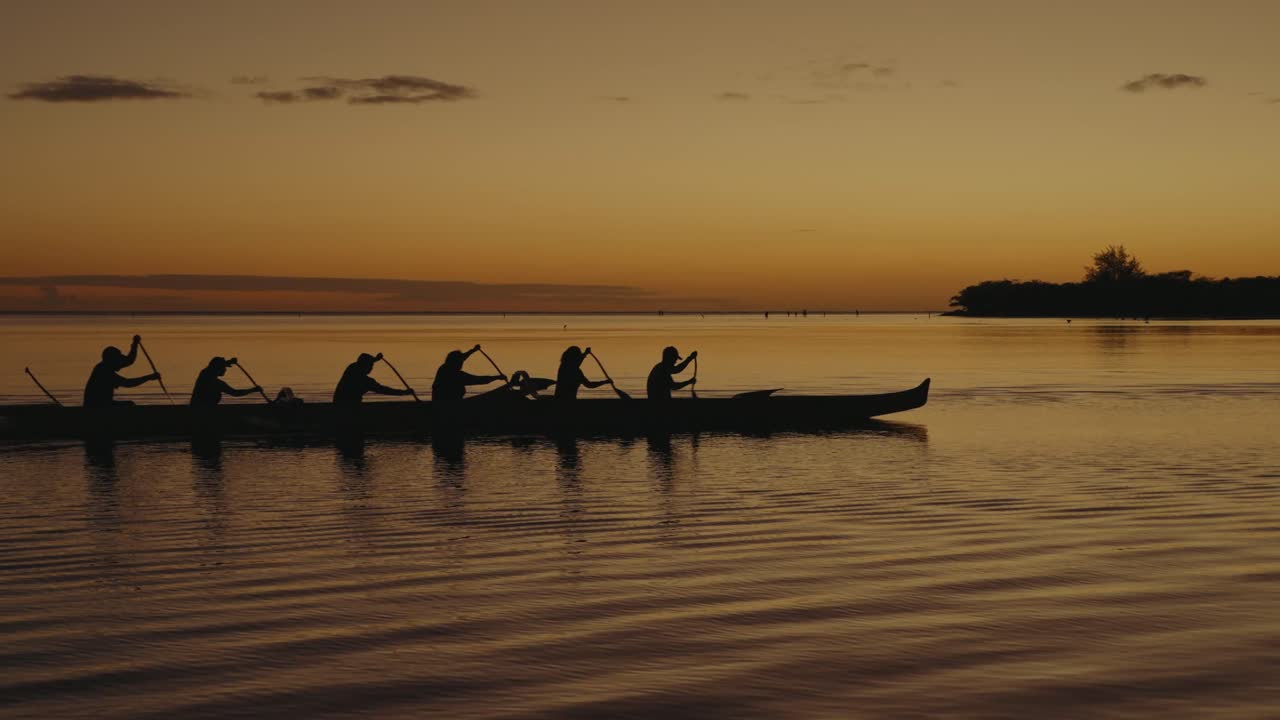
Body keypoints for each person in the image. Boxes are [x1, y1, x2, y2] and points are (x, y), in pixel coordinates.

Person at [83, 334, 161, 408]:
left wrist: (135, 344)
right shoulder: (103, 371)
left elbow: (129, 360)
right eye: (118, 359)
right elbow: (128, 383)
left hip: (103, 404)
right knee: (130, 405)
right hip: (97, 407)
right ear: (112, 360)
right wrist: (149, 377)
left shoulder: (106, 365)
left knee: (129, 404)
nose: (120, 362)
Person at [333, 353, 415, 406]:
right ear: (365, 366)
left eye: (372, 365)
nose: (371, 368)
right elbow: (384, 390)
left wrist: (376, 359)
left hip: (337, 403)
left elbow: (364, 362)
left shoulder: (351, 368)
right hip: (351, 407)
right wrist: (404, 392)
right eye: (370, 365)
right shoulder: (365, 381)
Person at [431, 345, 505, 404]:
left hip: (441, 401)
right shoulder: (455, 374)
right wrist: (497, 377)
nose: (462, 364)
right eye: (460, 362)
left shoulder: (443, 367)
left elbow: (463, 356)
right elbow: (478, 380)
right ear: (456, 362)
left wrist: (473, 350)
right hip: (448, 404)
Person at [190, 357, 262, 407]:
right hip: (205, 410)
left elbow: (212, 367)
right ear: (219, 368)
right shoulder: (217, 384)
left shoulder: (204, 374)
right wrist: (253, 390)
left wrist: (229, 362)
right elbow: (235, 393)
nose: (225, 369)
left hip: (194, 405)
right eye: (224, 368)